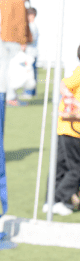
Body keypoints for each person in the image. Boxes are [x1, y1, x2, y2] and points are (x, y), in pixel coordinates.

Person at [43, 44, 80, 216]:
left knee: (60, 165)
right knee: (75, 168)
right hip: (72, 129)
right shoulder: (78, 73)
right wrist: (72, 100)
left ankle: (51, 201)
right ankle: (60, 198)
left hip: (65, 127)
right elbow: (64, 84)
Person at [0, 0, 32, 107]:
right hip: (14, 39)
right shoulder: (18, 1)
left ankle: (2, 94)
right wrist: (23, 41)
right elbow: (21, 23)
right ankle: (11, 97)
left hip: (3, 37)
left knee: (3, 67)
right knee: (13, 69)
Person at [21, 7, 39, 99]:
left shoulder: (31, 26)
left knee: (29, 73)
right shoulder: (32, 25)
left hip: (30, 53)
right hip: (32, 53)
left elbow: (31, 39)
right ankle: (32, 92)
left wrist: (23, 41)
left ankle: (28, 92)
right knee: (32, 73)